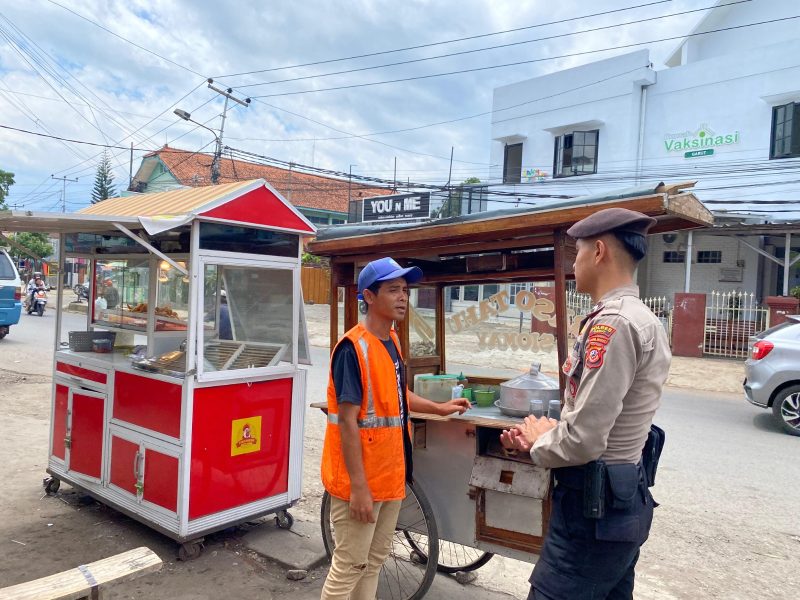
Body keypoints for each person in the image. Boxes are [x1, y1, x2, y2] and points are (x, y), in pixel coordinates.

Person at [500, 208, 671, 600]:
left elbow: (584, 440)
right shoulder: (641, 318)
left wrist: (539, 439)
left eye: (576, 253)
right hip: (618, 502)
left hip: (594, 513)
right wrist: (547, 435)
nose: (573, 263)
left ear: (598, 251)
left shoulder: (614, 324)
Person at [320, 257, 471, 600]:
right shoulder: (352, 349)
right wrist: (359, 489)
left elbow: (398, 395)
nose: (403, 297)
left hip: (390, 477)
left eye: (405, 290)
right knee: (349, 567)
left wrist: (439, 408)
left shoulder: (391, 341)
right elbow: (347, 421)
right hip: (361, 483)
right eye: (393, 290)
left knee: (373, 561)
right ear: (369, 296)